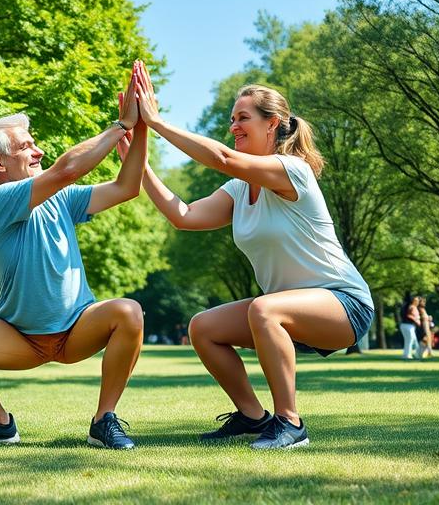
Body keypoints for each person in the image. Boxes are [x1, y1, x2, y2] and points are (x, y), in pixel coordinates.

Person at [123, 68, 374, 450]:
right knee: (203, 327)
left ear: (272, 124)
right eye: (232, 120)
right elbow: (185, 217)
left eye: (243, 118)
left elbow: (222, 157)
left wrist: (156, 122)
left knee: (264, 310)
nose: (233, 127)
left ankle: (290, 424)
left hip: (344, 304)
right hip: (285, 310)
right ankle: (254, 417)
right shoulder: (239, 189)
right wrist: (140, 165)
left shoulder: (294, 171)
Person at [0, 63, 147, 450]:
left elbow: (127, 187)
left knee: (128, 312)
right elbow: (66, 169)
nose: (39, 151)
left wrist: (142, 130)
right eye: (26, 147)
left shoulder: (62, 199)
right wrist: (119, 125)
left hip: (76, 328)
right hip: (20, 335)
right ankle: (0, 424)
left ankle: (104, 421)